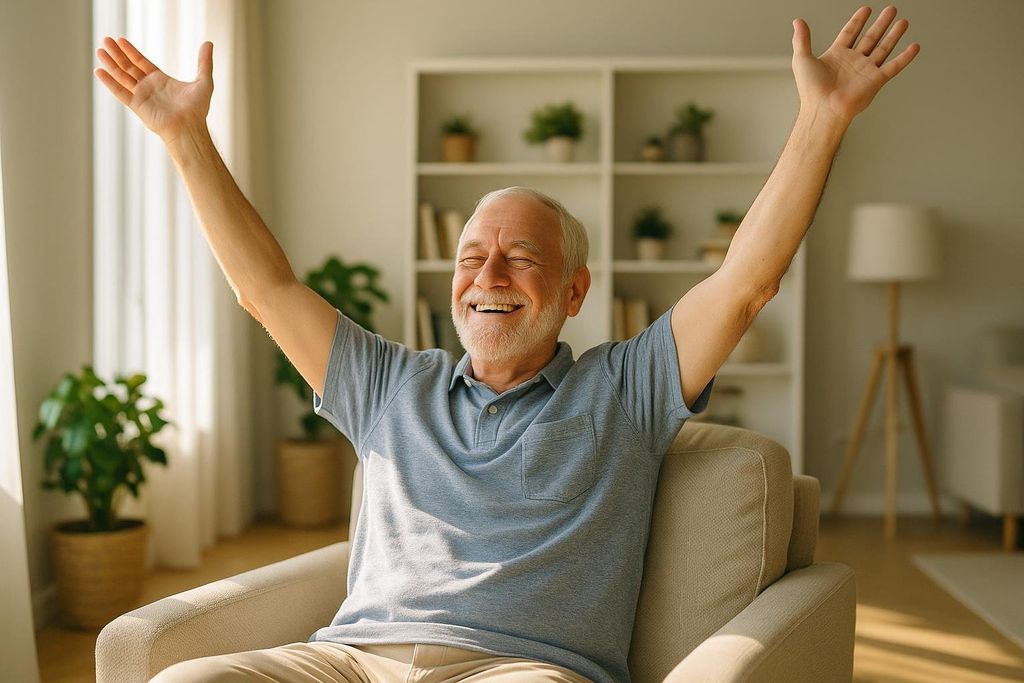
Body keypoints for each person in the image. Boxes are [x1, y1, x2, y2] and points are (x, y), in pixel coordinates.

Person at [95, 6, 918, 682]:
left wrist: (823, 118)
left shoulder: (623, 391)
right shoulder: (388, 384)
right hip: (349, 660)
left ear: (573, 291)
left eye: (522, 256)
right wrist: (185, 138)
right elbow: (266, 290)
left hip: (518, 669)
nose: (489, 272)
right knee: (184, 680)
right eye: (472, 255)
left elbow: (743, 287)